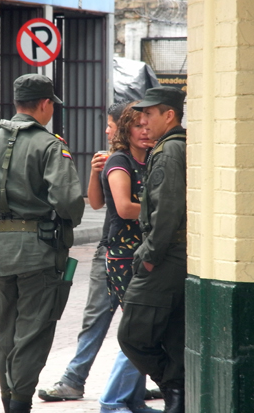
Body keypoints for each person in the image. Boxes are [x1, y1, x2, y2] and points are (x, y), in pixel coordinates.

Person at [0, 73, 84, 413]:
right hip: (40, 253)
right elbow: (69, 202)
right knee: (32, 333)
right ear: (45, 104)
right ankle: (19, 404)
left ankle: (8, 401)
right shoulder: (51, 145)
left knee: (5, 335)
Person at [38, 102, 127, 402]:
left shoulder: (138, 160)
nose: (106, 130)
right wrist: (94, 172)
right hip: (109, 250)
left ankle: (153, 380)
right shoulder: (112, 160)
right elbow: (97, 202)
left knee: (142, 324)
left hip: (131, 255)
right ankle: (74, 379)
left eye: (110, 124)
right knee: (96, 318)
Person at [117, 87, 187, 413]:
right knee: (172, 336)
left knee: (131, 335)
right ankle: (178, 397)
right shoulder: (170, 147)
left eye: (150, 113)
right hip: (172, 254)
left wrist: (149, 256)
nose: (143, 120)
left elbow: (168, 210)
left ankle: (174, 386)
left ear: (168, 115)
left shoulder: (169, 151)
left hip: (166, 255)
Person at [97, 102, 160, 413]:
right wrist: (162, 211)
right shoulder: (119, 162)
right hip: (124, 257)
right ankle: (112, 402)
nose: (145, 130)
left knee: (144, 327)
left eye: (148, 123)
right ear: (126, 130)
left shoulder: (150, 159)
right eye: (138, 125)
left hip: (148, 252)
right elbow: (123, 208)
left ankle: (132, 399)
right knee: (138, 329)